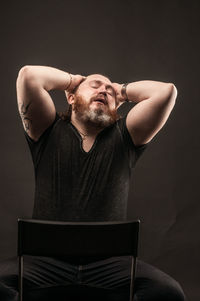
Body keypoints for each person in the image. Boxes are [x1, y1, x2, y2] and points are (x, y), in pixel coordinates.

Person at [0, 65, 186, 301]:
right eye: (95, 85)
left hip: (110, 265)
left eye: (109, 89)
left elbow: (167, 92)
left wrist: (121, 91)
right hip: (43, 262)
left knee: (168, 293)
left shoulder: (126, 135)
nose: (104, 90)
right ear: (71, 97)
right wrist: (74, 81)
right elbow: (28, 75)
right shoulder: (46, 128)